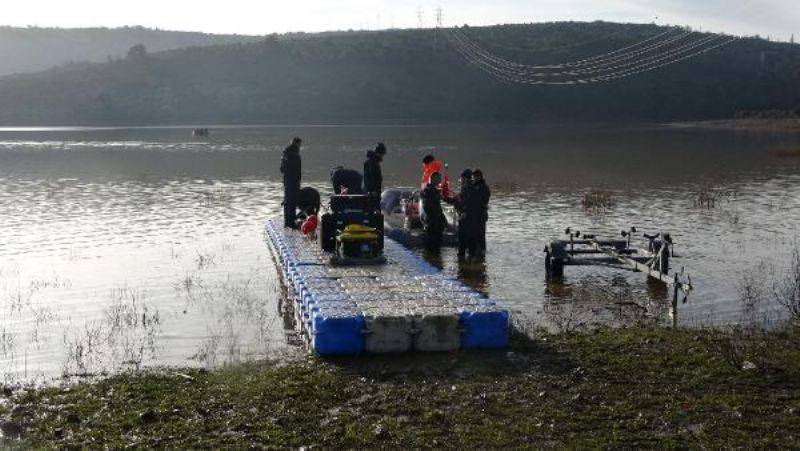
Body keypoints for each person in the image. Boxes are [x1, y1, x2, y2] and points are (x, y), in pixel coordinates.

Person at [445, 169, 477, 260]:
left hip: (465, 219)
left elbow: (460, 202)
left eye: (462, 179)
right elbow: (457, 199)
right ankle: (473, 261)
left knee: (462, 242)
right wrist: (448, 199)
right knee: (471, 243)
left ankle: (462, 263)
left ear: (465, 179)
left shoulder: (466, 188)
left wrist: (446, 198)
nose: (461, 181)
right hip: (473, 219)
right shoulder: (474, 188)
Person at [421, 172, 447, 251]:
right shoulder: (429, 191)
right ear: (434, 179)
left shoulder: (432, 190)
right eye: (439, 178)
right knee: (432, 245)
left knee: (435, 246)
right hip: (432, 222)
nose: (440, 180)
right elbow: (431, 208)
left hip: (434, 221)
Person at [280, 137, 302, 228]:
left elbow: (281, 169)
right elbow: (297, 169)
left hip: (287, 179)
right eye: (300, 144)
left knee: (287, 200)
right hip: (293, 180)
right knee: (292, 201)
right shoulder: (294, 154)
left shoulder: (285, 153)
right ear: (297, 144)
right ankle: (291, 222)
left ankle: (287, 221)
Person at [469, 169, 491, 256]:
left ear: (479, 177)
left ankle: (481, 252)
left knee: (480, 234)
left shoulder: (483, 187)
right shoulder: (477, 186)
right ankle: (479, 252)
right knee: (478, 234)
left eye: (474, 177)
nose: (473, 179)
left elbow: (481, 201)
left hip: (480, 214)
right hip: (478, 214)